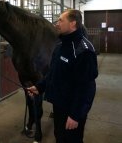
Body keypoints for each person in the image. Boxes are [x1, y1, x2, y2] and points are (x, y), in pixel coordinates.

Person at [27, 9, 98, 143]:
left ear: (73, 23)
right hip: (59, 106)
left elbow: (87, 88)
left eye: (60, 20)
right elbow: (53, 73)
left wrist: (76, 115)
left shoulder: (84, 50)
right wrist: (39, 87)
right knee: (59, 137)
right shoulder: (60, 45)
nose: (57, 23)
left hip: (72, 110)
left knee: (72, 140)